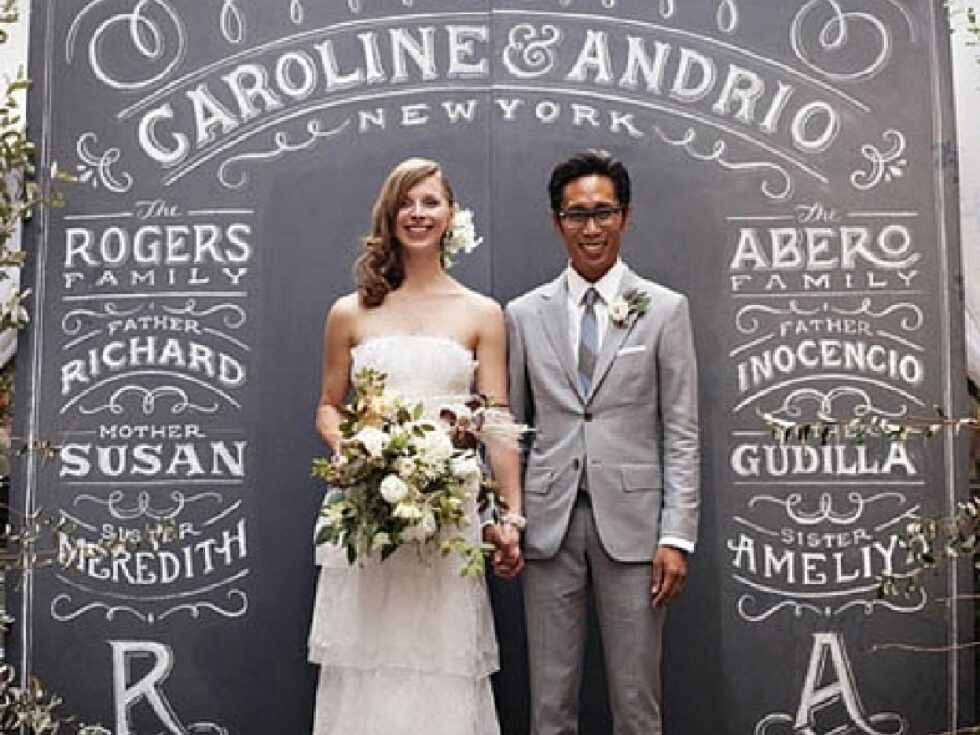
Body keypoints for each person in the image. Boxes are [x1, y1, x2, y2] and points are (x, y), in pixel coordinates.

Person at [309, 157, 523, 735]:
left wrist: (510, 516)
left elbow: (497, 417)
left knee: (442, 662)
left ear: (452, 216)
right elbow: (329, 406)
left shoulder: (482, 313)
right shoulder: (349, 312)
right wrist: (355, 446)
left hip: (449, 514)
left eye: (430, 202)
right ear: (389, 215)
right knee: (369, 660)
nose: (418, 213)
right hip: (367, 513)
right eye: (406, 202)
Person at [506, 151, 700, 735]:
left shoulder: (665, 309)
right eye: (576, 215)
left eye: (603, 213)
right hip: (548, 525)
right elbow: (510, 430)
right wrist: (508, 518)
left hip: (638, 531)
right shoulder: (523, 314)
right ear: (556, 221)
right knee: (549, 706)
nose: (591, 228)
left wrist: (676, 534)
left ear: (626, 216)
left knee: (638, 706)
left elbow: (683, 428)